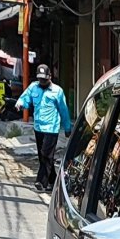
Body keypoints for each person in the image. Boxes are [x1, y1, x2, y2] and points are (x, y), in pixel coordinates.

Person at [15, 64, 73, 194]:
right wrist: (20, 104)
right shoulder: (33, 87)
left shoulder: (57, 91)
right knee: (44, 156)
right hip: (38, 128)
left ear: (50, 77)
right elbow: (25, 99)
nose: (42, 82)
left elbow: (63, 110)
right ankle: (53, 180)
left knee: (46, 154)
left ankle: (41, 182)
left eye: (44, 79)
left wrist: (67, 127)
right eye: (40, 79)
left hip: (51, 129)